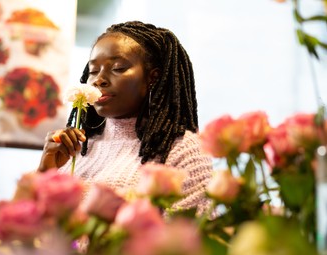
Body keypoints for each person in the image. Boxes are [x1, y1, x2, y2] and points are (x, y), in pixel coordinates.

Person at [38, 21, 212, 213]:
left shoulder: (181, 148)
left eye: (118, 68)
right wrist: (46, 170)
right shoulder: (79, 144)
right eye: (93, 70)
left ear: (152, 78)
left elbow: (196, 237)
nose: (98, 79)